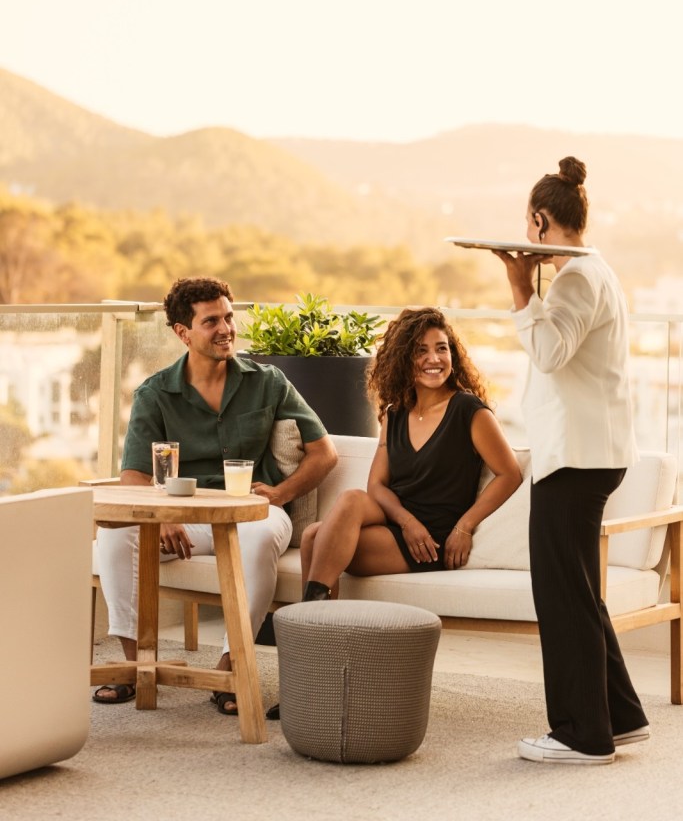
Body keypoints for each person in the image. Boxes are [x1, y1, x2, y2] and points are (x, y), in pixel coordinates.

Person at [94, 276, 337, 715]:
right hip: (183, 518)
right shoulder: (156, 393)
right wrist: (161, 516)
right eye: (211, 321)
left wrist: (281, 493)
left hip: (250, 512)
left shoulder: (268, 382)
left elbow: (325, 453)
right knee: (114, 535)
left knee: (261, 536)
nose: (226, 328)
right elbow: (133, 474)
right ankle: (136, 667)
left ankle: (231, 669)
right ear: (182, 332)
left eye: (228, 317)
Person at [492, 155, 649, 765]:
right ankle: (622, 715)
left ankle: (582, 734)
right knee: (578, 590)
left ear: (538, 220)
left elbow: (551, 353)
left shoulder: (579, 278)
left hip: (579, 459)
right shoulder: (593, 272)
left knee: (560, 594)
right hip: (589, 454)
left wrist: (516, 291)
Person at [298, 306, 522, 601]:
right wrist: (406, 522)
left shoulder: (468, 411)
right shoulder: (395, 414)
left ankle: (308, 627)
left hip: (431, 538)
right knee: (338, 511)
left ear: (452, 356)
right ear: (404, 359)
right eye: (421, 351)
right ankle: (315, 625)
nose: (434, 359)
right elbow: (376, 486)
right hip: (399, 523)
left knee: (316, 538)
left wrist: (464, 527)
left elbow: (510, 474)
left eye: (442, 349)